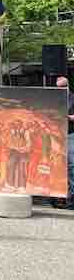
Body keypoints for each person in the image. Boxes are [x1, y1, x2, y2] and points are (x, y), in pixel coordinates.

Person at [52, 76, 74, 209]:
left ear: (67, 87)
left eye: (61, 88)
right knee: (56, 165)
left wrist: (68, 117)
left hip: (70, 134)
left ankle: (71, 199)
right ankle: (57, 198)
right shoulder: (54, 99)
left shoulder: (73, 98)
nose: (59, 90)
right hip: (56, 135)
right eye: (57, 88)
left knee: (71, 166)